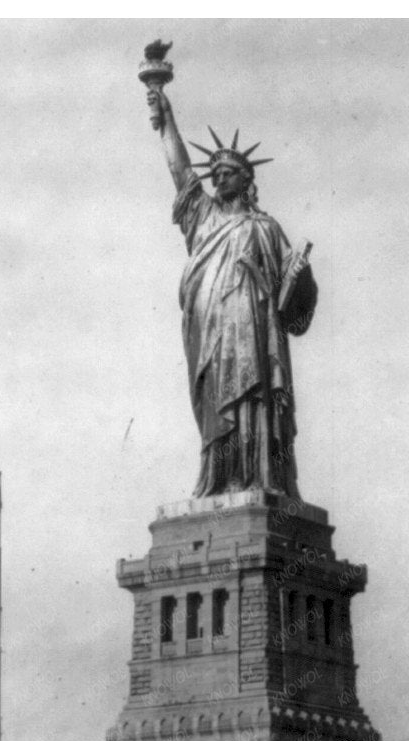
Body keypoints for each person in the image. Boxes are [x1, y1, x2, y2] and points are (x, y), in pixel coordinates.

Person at [147, 87, 317, 498]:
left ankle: (260, 478)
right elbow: (180, 171)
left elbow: (293, 304)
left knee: (253, 399)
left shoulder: (266, 228)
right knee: (215, 404)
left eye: (229, 171)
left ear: (247, 180)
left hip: (256, 334)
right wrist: (165, 115)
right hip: (210, 332)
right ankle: (220, 480)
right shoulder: (202, 217)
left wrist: (302, 278)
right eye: (216, 172)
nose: (218, 176)